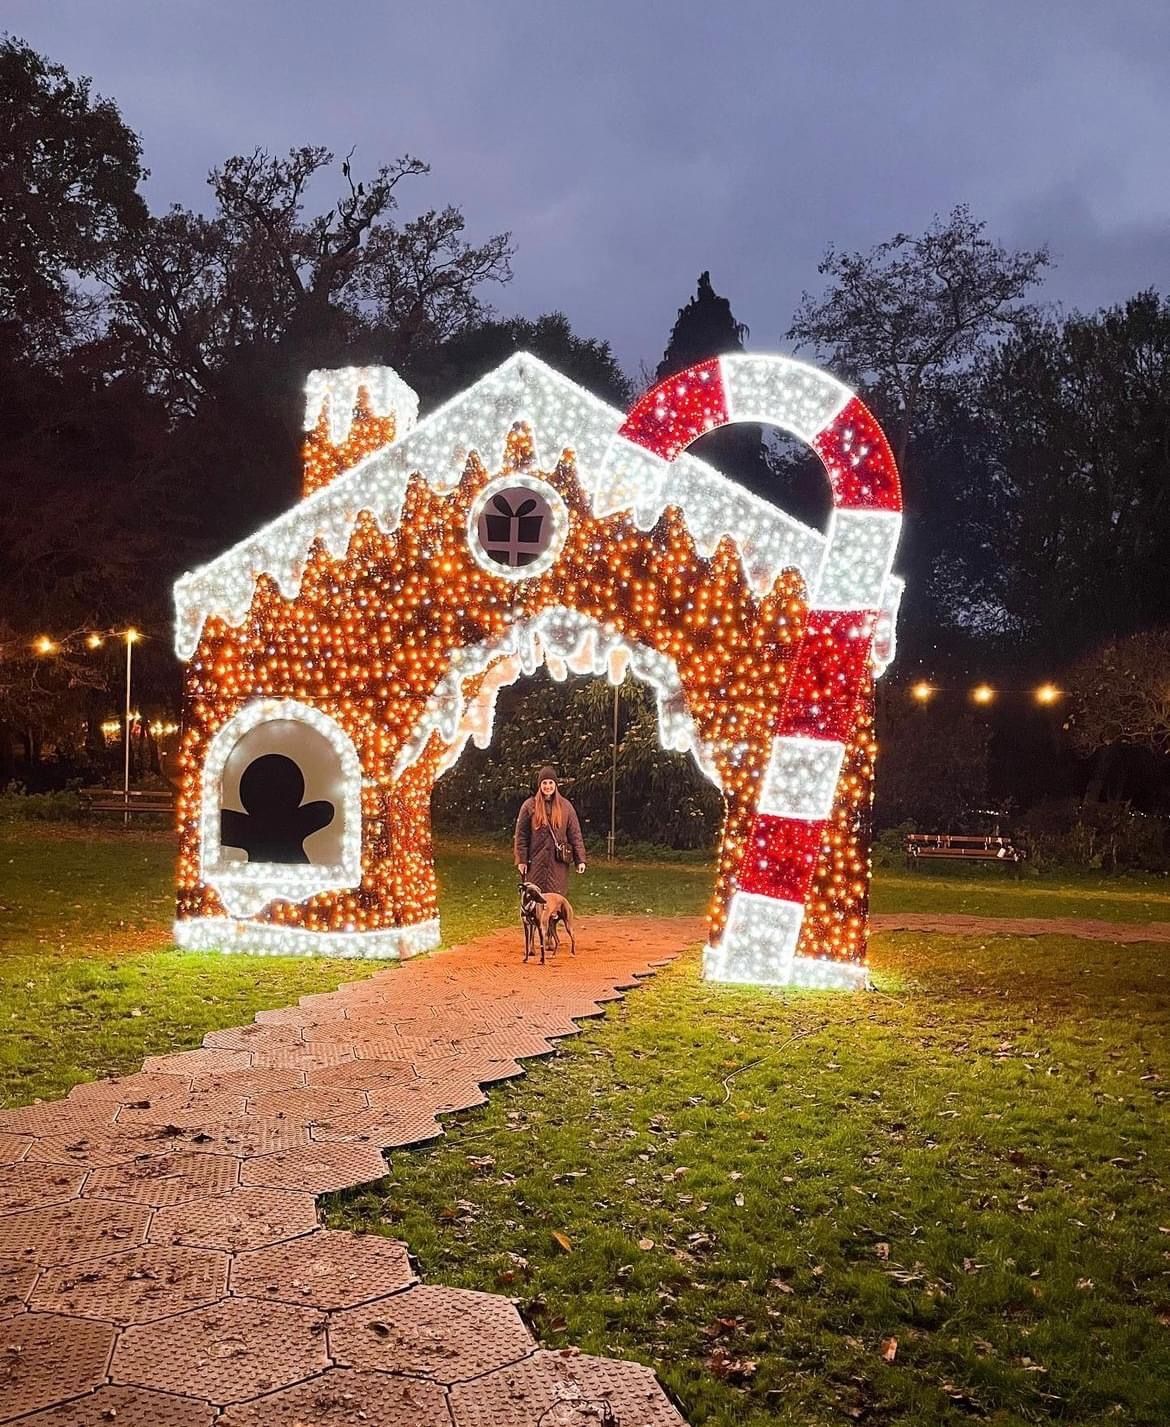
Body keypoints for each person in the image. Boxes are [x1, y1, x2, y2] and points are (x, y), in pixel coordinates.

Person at [514, 765, 586, 896]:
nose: (548, 786)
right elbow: (521, 836)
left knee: (555, 901)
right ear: (540, 785)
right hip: (535, 864)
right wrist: (521, 860)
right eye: (544, 783)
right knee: (535, 901)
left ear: (555, 784)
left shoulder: (566, 807)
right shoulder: (530, 806)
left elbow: (575, 834)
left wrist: (580, 859)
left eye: (551, 783)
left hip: (557, 865)